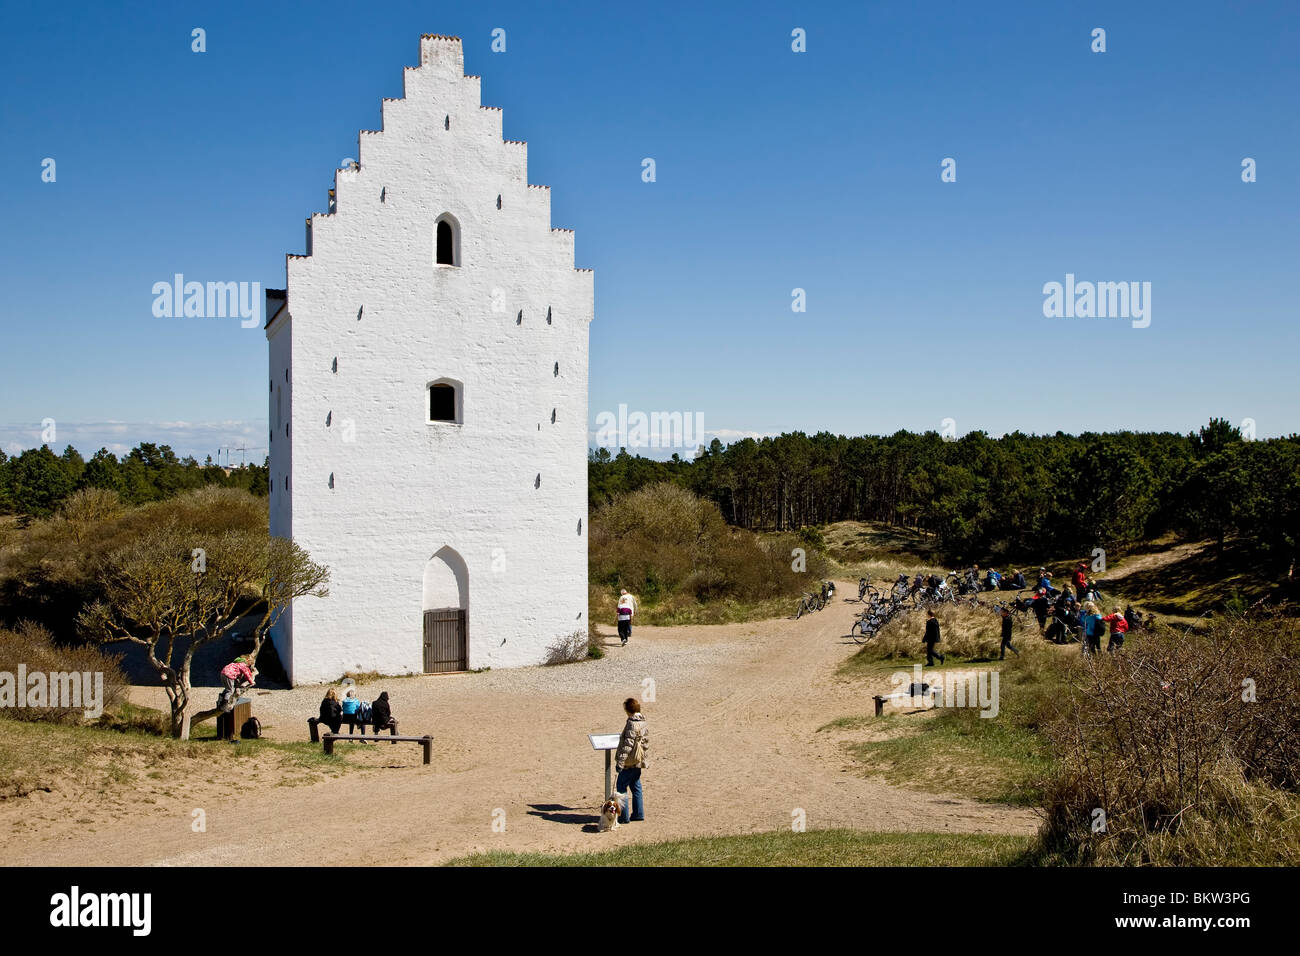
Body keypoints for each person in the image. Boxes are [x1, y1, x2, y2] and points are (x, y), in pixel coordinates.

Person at [614, 697, 649, 823]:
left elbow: (627, 746)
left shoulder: (631, 723)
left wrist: (620, 762)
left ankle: (624, 817)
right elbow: (645, 742)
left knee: (621, 788)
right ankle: (639, 814)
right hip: (638, 761)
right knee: (636, 786)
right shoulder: (643, 722)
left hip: (629, 762)